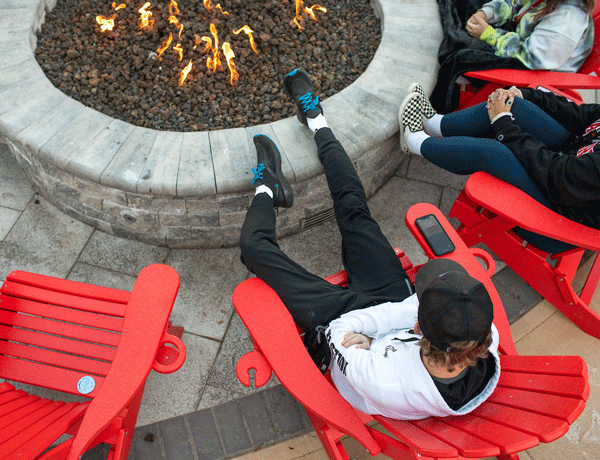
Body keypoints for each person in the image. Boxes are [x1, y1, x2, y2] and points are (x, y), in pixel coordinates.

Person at [239, 69, 500, 420]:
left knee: (255, 249)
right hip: (387, 308)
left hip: (341, 317)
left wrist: (375, 332)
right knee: (354, 210)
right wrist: (385, 327)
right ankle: (316, 122)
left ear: (421, 326)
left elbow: (338, 334)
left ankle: (267, 189)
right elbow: (411, 311)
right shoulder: (482, 338)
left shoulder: (383, 380)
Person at [399, 82, 600, 253]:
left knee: (494, 154)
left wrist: (503, 125)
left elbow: (557, 175)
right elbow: (582, 114)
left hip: (558, 220)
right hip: (570, 163)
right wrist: (525, 94)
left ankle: (414, 142)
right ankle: (437, 125)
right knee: (514, 106)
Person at [431, 0, 594, 113]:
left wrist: (490, 35)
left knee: (460, 56)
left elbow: (534, 58)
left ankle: (440, 109)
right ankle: (456, 32)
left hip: (535, 69)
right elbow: (513, 3)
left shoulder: (568, 18)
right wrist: (485, 14)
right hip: (522, 37)